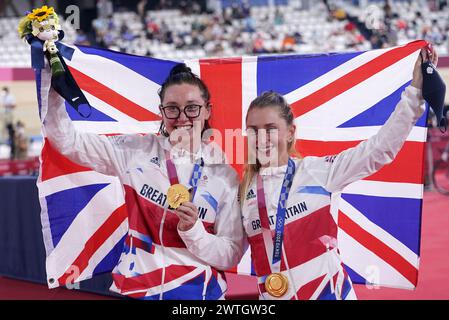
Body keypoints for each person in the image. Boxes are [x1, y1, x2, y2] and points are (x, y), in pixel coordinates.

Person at [239, 46, 437, 300]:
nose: (262, 138)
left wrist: (415, 93)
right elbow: (229, 252)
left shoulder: (319, 171)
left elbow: (379, 150)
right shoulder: (243, 192)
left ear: (290, 132)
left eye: (270, 128)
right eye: (253, 130)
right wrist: (192, 231)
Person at [42, 63, 246, 300]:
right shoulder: (134, 151)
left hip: (198, 296)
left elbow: (231, 254)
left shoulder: (225, 176)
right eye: (172, 109)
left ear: (207, 110)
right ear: (161, 111)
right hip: (136, 290)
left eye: (192, 108)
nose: (182, 118)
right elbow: (68, 142)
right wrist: (54, 86)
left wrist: (194, 232)